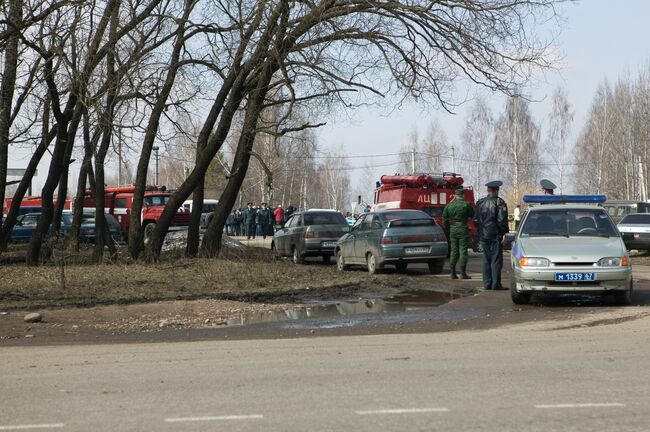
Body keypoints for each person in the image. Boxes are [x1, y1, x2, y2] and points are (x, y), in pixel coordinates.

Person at [474, 180, 509, 290]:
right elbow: (502, 220)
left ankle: (487, 284)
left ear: (488, 190)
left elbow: (475, 220)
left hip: (483, 236)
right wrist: (503, 234)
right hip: (495, 235)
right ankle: (495, 284)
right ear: (497, 190)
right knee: (496, 260)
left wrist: (480, 232)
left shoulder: (480, 202)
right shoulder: (499, 202)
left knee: (486, 260)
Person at [442, 186, 474, 279]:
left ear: (455, 195)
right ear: (463, 195)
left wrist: (449, 228)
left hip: (453, 229)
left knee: (454, 251)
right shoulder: (466, 205)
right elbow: (472, 215)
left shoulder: (449, 205)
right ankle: (463, 273)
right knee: (463, 251)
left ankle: (452, 273)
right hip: (463, 228)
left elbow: (444, 219)